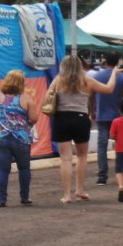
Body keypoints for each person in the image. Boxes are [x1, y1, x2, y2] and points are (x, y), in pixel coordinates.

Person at [50, 55, 119, 203]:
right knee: (82, 156)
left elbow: (47, 97)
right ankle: (79, 190)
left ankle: (66, 195)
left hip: (61, 119)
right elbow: (109, 89)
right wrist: (114, 73)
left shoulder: (58, 81)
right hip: (81, 119)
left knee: (65, 158)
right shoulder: (87, 81)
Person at [0, 70, 39, 207]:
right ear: (21, 83)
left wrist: (0, 128)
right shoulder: (26, 98)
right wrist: (27, 124)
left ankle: (1, 199)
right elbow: (34, 118)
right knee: (24, 168)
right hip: (21, 138)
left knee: (2, 170)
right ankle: (24, 197)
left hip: (1, 138)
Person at [91, 51, 123, 187]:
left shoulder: (97, 76)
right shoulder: (122, 77)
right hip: (118, 116)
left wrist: (91, 110)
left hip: (102, 115)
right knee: (121, 145)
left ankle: (102, 175)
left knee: (102, 145)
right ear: (117, 62)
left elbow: (91, 95)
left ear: (105, 61)